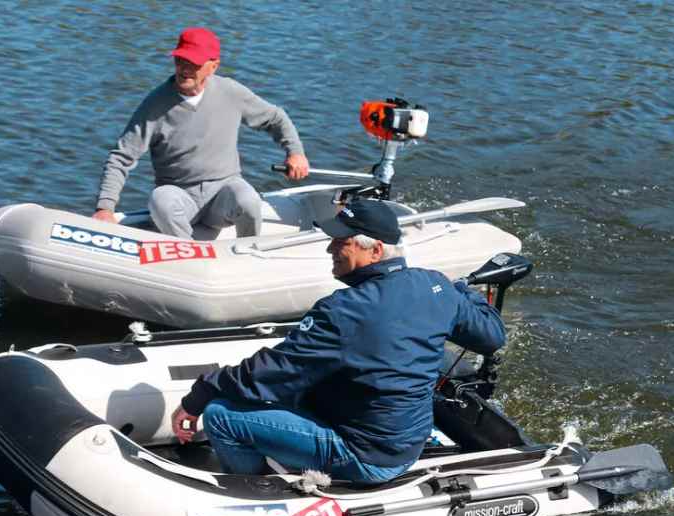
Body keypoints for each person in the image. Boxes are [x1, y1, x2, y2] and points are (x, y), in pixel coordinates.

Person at [170, 199, 506, 483]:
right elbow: (491, 336)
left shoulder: (344, 310)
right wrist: (461, 290)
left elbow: (275, 370)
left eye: (341, 242)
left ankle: (256, 490)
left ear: (375, 250)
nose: (330, 247)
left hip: (365, 455)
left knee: (220, 415)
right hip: (405, 441)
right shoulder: (435, 285)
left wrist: (201, 393)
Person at [91, 27, 310, 239]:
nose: (184, 68)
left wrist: (295, 152)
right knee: (161, 200)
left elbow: (276, 118)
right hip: (180, 195)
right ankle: (187, 254)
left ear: (213, 66)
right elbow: (121, 157)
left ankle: (248, 249)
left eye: (193, 63)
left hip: (223, 191)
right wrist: (105, 208)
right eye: (179, 60)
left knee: (249, 200)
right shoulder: (155, 105)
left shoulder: (230, 92)